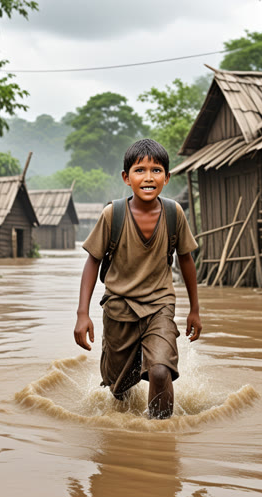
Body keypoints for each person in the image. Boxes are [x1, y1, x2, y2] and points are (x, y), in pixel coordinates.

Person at [73, 139, 202, 419]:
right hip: (119, 308)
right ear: (126, 178)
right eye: (140, 170)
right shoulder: (113, 215)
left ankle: (159, 439)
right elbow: (92, 261)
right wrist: (82, 313)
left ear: (167, 178)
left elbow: (186, 259)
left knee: (159, 370)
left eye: (156, 170)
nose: (148, 177)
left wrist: (195, 309)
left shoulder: (173, 214)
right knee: (119, 388)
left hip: (160, 305)